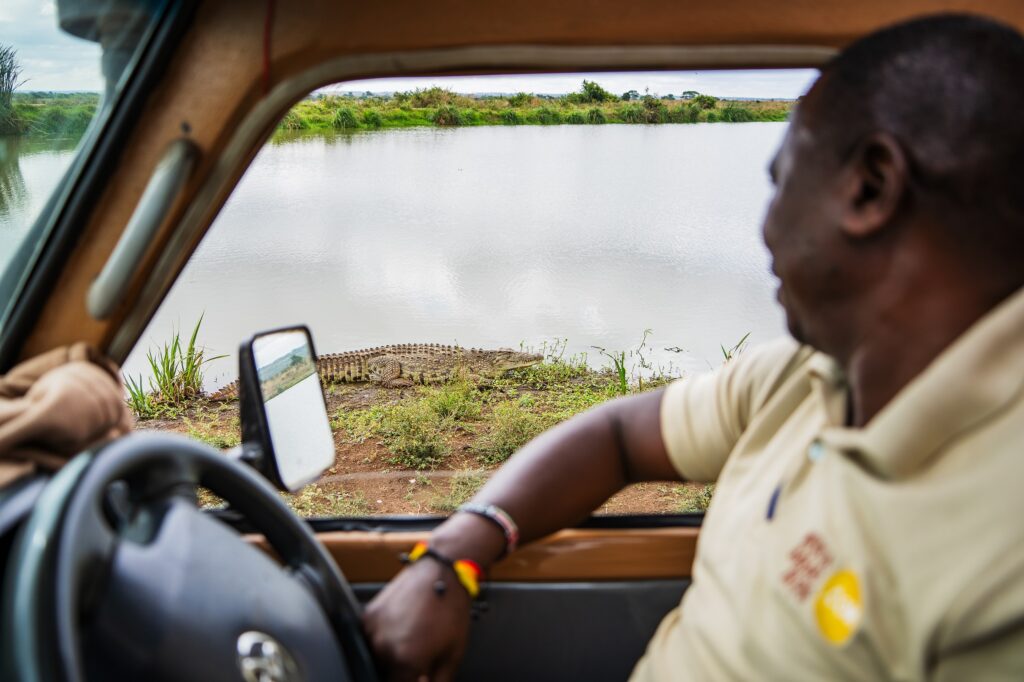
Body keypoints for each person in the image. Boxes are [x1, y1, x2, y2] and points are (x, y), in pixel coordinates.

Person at [363, 13, 1024, 681]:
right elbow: (620, 433)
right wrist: (453, 556)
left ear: (870, 188)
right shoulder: (805, 373)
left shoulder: (1005, 562)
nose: (764, 227)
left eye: (781, 178)